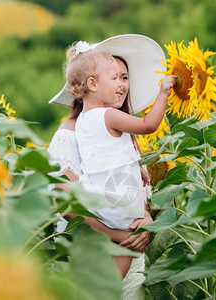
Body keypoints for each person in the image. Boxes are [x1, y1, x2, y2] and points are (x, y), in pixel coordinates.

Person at [47, 34, 169, 299]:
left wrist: (145, 222)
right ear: (92, 84)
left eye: (124, 77)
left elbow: (136, 193)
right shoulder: (70, 133)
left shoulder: (123, 134)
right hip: (89, 257)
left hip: (132, 256)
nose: (121, 85)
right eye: (114, 77)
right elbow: (68, 206)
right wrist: (119, 234)